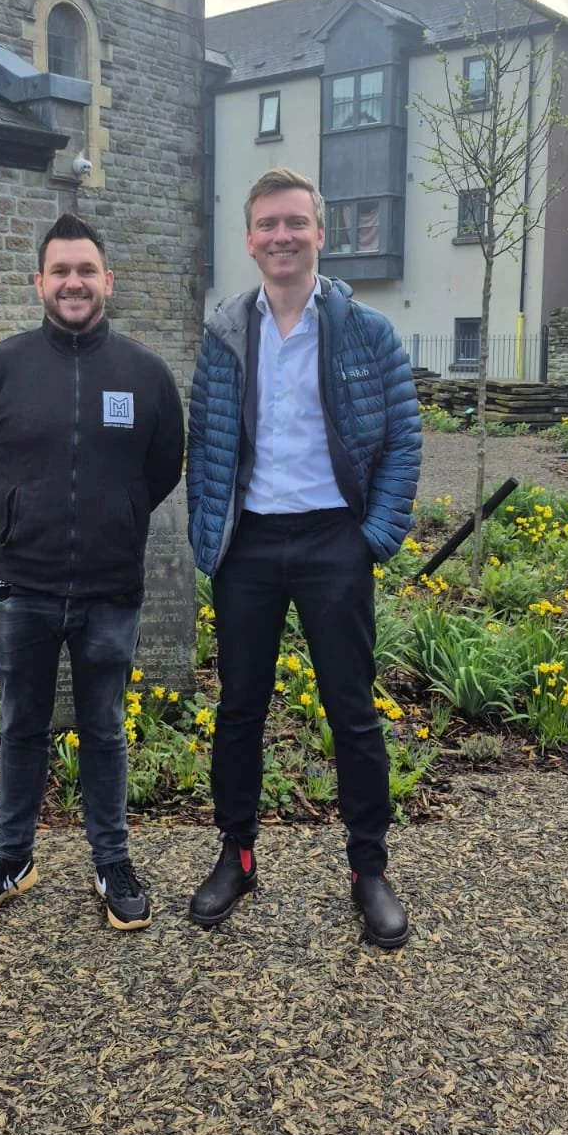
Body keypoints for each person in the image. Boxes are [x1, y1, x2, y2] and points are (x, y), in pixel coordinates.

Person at [186, 168, 421, 948]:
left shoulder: (366, 331)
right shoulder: (225, 333)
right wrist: (208, 537)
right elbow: (205, 444)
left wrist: (373, 536)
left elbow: (402, 442)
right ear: (249, 238)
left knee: (352, 712)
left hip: (332, 541)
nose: (280, 237)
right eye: (266, 225)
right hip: (248, 545)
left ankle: (369, 869)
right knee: (240, 710)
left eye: (295, 223)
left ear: (320, 233)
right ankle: (238, 853)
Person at [0, 213, 184, 931]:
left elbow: (162, 468)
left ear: (107, 280)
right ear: (40, 283)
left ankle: (111, 863)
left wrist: (123, 511)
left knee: (105, 729)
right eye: (61, 271)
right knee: (21, 724)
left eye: (87, 270)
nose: (74, 283)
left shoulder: (145, 375)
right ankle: (11, 857)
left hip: (111, 587)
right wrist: (16, 516)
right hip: (22, 586)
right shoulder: (0, 370)